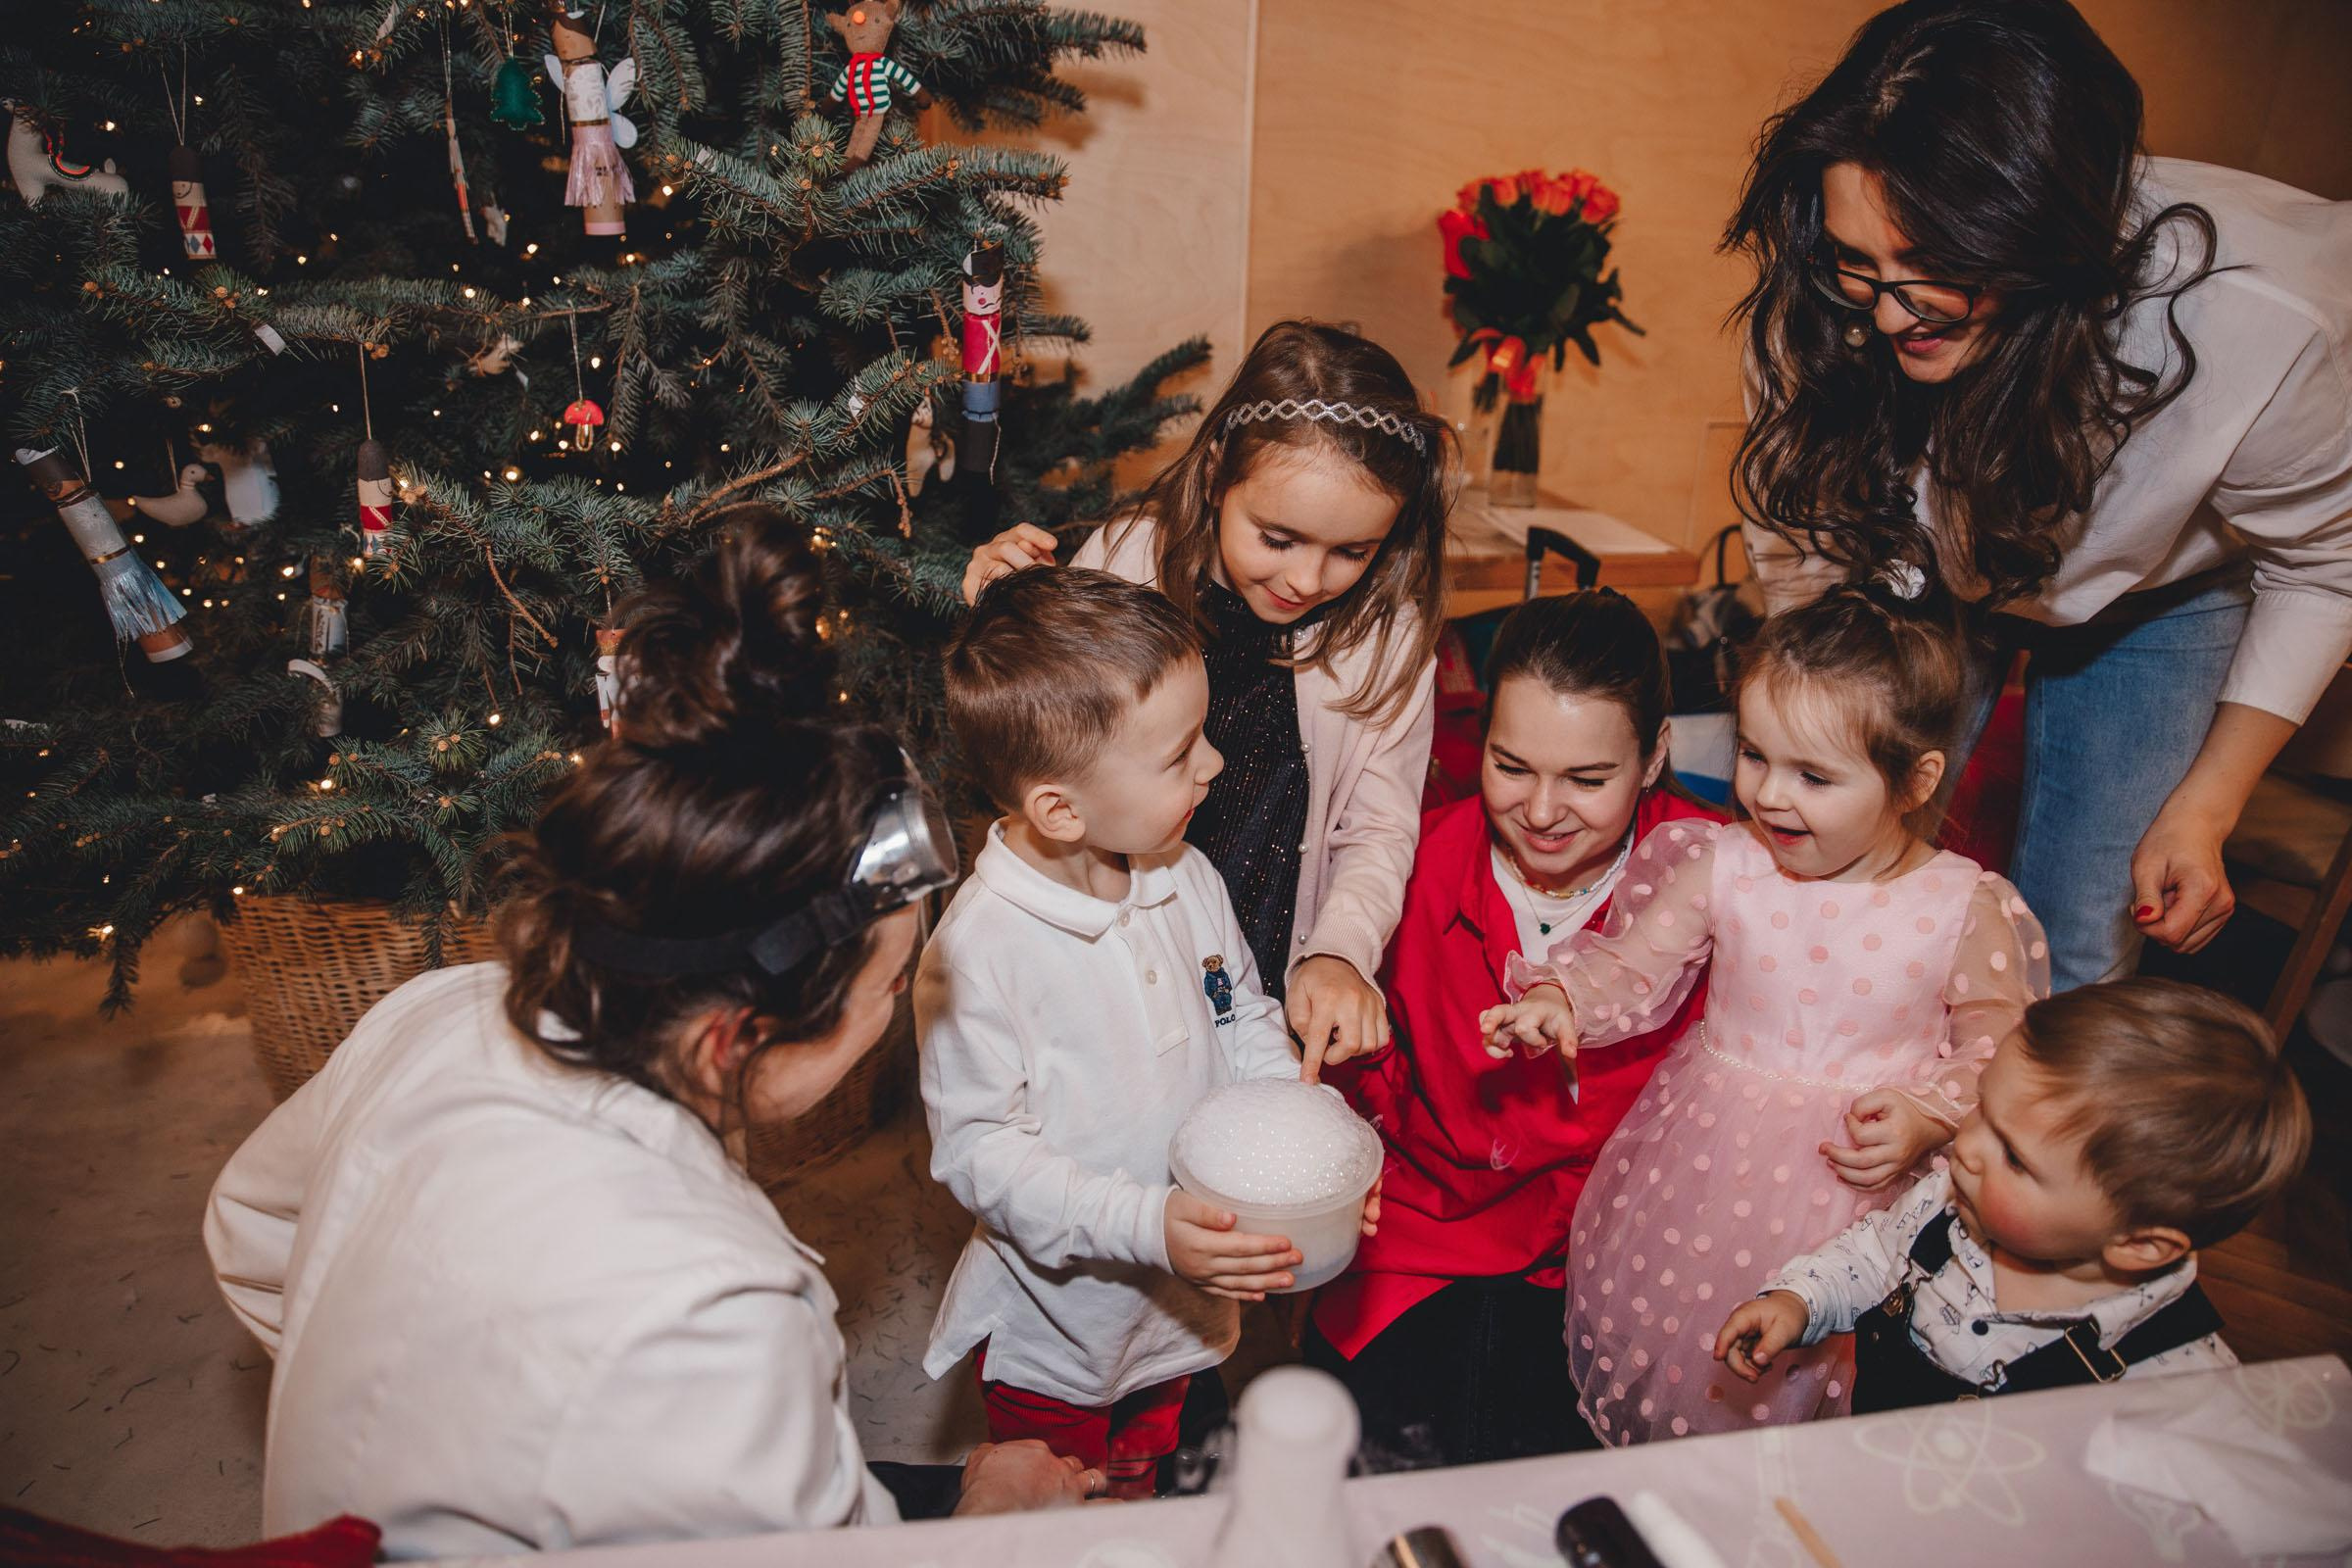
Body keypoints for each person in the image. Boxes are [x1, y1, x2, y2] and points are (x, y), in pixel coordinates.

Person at [204, 511, 1099, 1555]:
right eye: (894, 987)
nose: (900, 1011)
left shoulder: (434, 1013)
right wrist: (991, 1513)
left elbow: (249, 1231)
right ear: (740, 1037)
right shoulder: (713, 1308)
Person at [1724, 0, 2352, 992]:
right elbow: (1801, 529)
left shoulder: (2266, 322)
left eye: (1931, 267)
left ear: (2042, 239)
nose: (1888, 311)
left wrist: (2208, 804)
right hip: (1913, 567)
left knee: (2080, 938)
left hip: (2166, 595)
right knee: (1839, 862)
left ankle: (2008, 1146)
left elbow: (2326, 565)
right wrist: (1815, 698)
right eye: (1860, 262)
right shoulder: (1821, 304)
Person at [1481, 577, 2049, 1444]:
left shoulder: (1964, 907)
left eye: (1814, 775)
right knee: (1687, 1337)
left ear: (1914, 780)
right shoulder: (1726, 865)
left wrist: (1932, 1114)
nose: (1769, 795)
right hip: (1703, 1175)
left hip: (1869, 1194)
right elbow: (1633, 967)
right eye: (1755, 755)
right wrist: (1562, 997)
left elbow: (2000, 1055)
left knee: (1833, 1400)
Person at [918, 566, 1375, 1498]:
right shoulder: (978, 953)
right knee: (1062, 1503)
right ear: (1059, 808)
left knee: (1142, 1478)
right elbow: (981, 1155)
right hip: (1060, 1327)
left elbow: (1240, 1016)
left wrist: (1302, 1144)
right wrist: (1145, 1225)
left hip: (1175, 1308)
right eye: (1178, 755)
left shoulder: (1185, 873)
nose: (1212, 763)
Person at [961, 319, 1454, 1075]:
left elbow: (1379, 828)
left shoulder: (1389, 636)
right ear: (1220, 472)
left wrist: (1341, 953)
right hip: (1122, 950)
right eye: (1279, 538)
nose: (1307, 580)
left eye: (1352, 551)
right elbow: (1048, 715)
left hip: (1266, 954)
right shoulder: (1130, 559)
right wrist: (1005, 603)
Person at [1306, 592, 1722, 1467]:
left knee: (1578, 1484)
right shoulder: (1411, 863)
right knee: (1363, 1464)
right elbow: (1355, 1071)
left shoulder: (1724, 877)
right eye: (1511, 764)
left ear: (1653, 760)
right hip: (1428, 1223)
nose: (1540, 810)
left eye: (1587, 778)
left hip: (1621, 1243)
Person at [1715, 979, 2310, 1408]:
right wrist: (1801, 1301)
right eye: (1983, 1112)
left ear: (2139, 1243)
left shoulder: (2179, 1387)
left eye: (2016, 1158)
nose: (1967, 1150)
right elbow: (1873, 1256)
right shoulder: (1949, 1202)